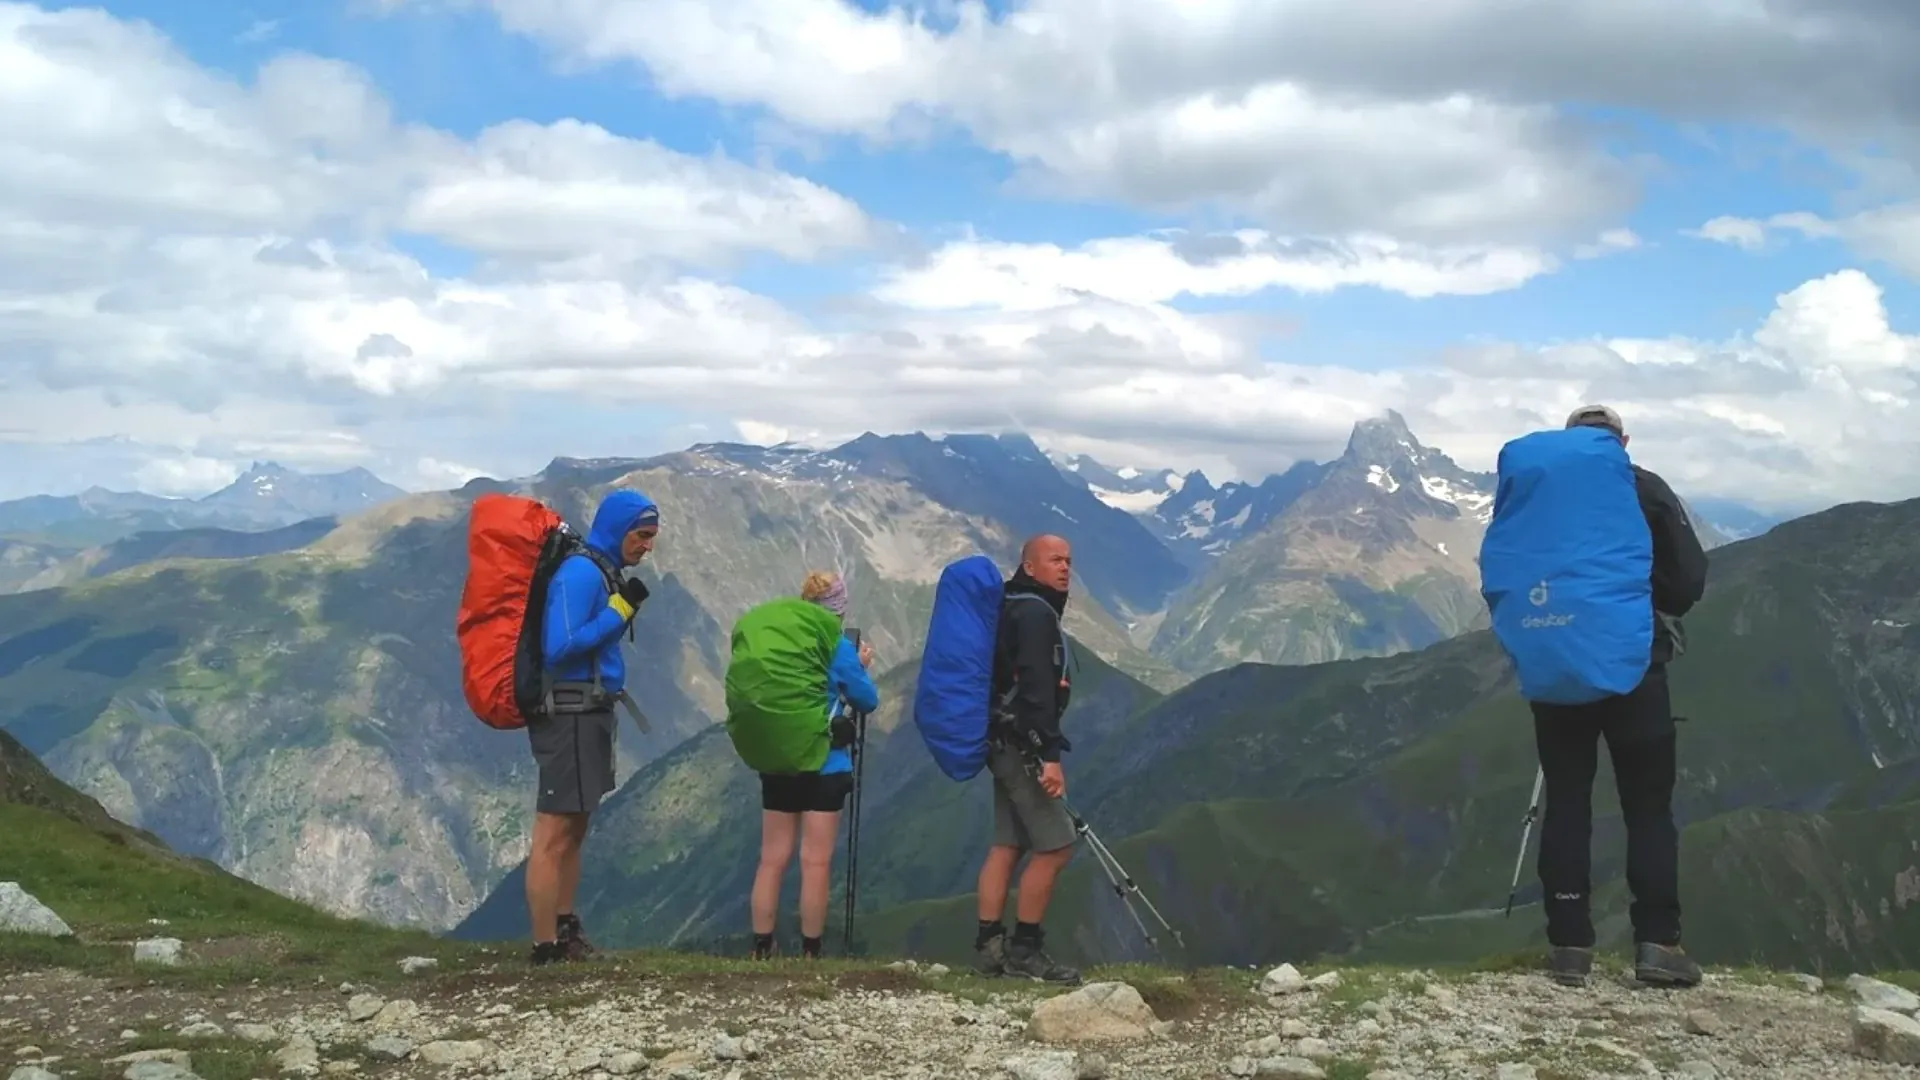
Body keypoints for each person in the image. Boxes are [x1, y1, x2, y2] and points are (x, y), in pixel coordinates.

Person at [1535, 405, 1708, 988]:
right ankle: (1658, 944)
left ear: (1568, 443)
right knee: (1648, 808)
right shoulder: (1646, 488)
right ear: (1622, 441)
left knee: (1566, 801)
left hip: (1559, 665)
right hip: (1635, 665)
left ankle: (1568, 947)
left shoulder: (1540, 494)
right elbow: (1687, 581)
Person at [525, 488, 659, 965]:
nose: (648, 545)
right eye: (642, 535)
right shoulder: (581, 573)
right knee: (553, 832)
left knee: (574, 828)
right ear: (619, 529)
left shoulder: (601, 570)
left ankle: (564, 930)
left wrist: (617, 609)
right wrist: (617, 612)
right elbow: (559, 646)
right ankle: (546, 949)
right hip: (570, 716)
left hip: (589, 712)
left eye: (652, 536)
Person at [749, 570, 879, 960]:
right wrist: (859, 666)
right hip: (825, 764)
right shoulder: (837, 648)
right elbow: (867, 700)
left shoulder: (783, 644)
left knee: (772, 858)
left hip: (780, 760)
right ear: (838, 611)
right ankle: (810, 951)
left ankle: (762, 947)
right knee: (815, 861)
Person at [972, 534, 1083, 984]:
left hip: (999, 740)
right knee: (1057, 846)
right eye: (1055, 560)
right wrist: (1049, 756)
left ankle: (989, 948)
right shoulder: (1036, 614)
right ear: (1029, 567)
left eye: (1068, 561)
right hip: (1022, 746)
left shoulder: (1012, 605)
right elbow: (1037, 690)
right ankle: (1025, 950)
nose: (1065, 568)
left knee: (1008, 844)